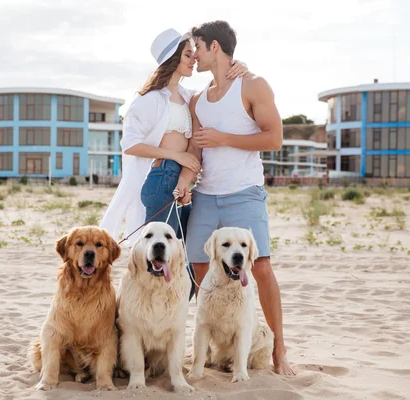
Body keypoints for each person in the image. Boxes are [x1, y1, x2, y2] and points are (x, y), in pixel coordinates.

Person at [174, 20, 295, 376]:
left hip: (244, 193)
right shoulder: (197, 100)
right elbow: (196, 148)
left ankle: (279, 350)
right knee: (195, 271)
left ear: (214, 47)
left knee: (261, 268)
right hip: (206, 196)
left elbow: (274, 139)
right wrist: (184, 180)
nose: (194, 54)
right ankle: (176, 348)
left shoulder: (253, 85)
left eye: (197, 46)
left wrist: (225, 138)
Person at [99, 28, 248, 301]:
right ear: (172, 60)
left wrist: (239, 67)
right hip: (159, 179)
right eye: (188, 55)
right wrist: (176, 156)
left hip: (180, 180)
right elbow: (130, 144)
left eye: (194, 54)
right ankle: (144, 317)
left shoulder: (189, 94)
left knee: (189, 255)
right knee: (157, 257)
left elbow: (219, 91)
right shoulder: (148, 100)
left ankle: (168, 316)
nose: (194, 60)